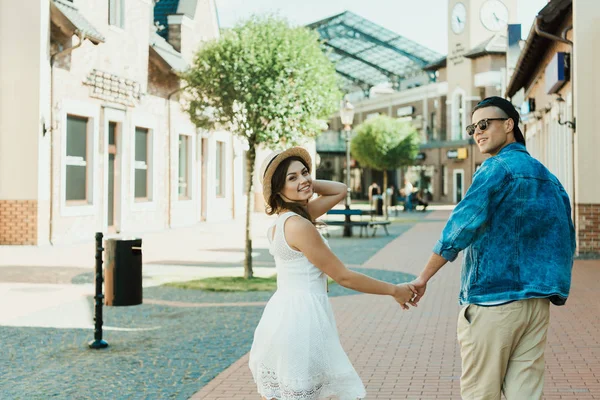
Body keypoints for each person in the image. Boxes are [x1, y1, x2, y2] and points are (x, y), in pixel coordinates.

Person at [409, 96, 575, 400]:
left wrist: (423, 278)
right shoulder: (550, 179)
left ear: (509, 124)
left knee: (480, 393)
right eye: (473, 128)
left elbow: (460, 227)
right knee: (525, 395)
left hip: (493, 301)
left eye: (484, 124)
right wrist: (555, 286)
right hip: (536, 305)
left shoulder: (494, 169)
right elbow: (565, 239)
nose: (477, 133)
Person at [249, 147, 416, 400]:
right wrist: (395, 290)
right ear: (278, 190)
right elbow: (343, 277)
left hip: (286, 313)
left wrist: (303, 184)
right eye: (291, 178)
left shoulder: (286, 221)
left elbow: (340, 189)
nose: (303, 179)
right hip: (302, 320)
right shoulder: (300, 225)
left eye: (304, 173)